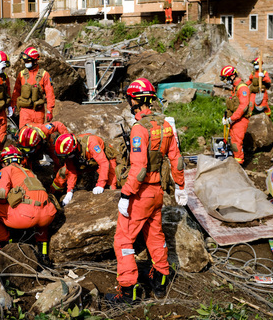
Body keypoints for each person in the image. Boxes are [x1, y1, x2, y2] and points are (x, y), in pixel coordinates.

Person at [107, 78, 187, 303]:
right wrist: (180, 186)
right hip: (158, 193)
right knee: (154, 235)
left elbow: (139, 168)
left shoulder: (139, 129)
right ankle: (161, 280)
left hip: (140, 194)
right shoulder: (165, 125)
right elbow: (177, 160)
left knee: (123, 240)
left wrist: (125, 194)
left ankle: (128, 291)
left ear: (134, 100)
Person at [0, 145, 57, 264]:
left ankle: (4, 243)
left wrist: (3, 203)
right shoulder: (30, 172)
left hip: (26, 217)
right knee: (41, 217)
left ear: (4, 162)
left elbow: (1, 193)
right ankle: (43, 254)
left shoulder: (7, 170)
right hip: (48, 215)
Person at [51, 132, 119, 206]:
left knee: (111, 185)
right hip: (86, 162)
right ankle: (53, 194)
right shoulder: (69, 152)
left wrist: (100, 184)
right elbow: (71, 171)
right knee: (63, 172)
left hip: (104, 159)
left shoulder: (91, 143)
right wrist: (69, 191)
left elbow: (104, 163)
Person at [11, 46, 56, 128]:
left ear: (35, 60)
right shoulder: (21, 74)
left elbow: (50, 93)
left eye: (28, 61)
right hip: (24, 111)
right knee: (23, 135)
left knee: (38, 136)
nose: (26, 63)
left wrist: (50, 110)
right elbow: (16, 91)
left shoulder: (44, 74)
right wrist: (13, 105)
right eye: (25, 61)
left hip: (38, 112)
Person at [221, 66, 252, 164]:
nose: (226, 81)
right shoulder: (235, 87)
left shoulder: (242, 88)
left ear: (232, 76)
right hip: (235, 120)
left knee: (236, 143)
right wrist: (227, 117)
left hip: (240, 120)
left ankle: (239, 165)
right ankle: (236, 160)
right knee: (234, 142)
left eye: (226, 78)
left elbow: (243, 106)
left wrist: (231, 119)